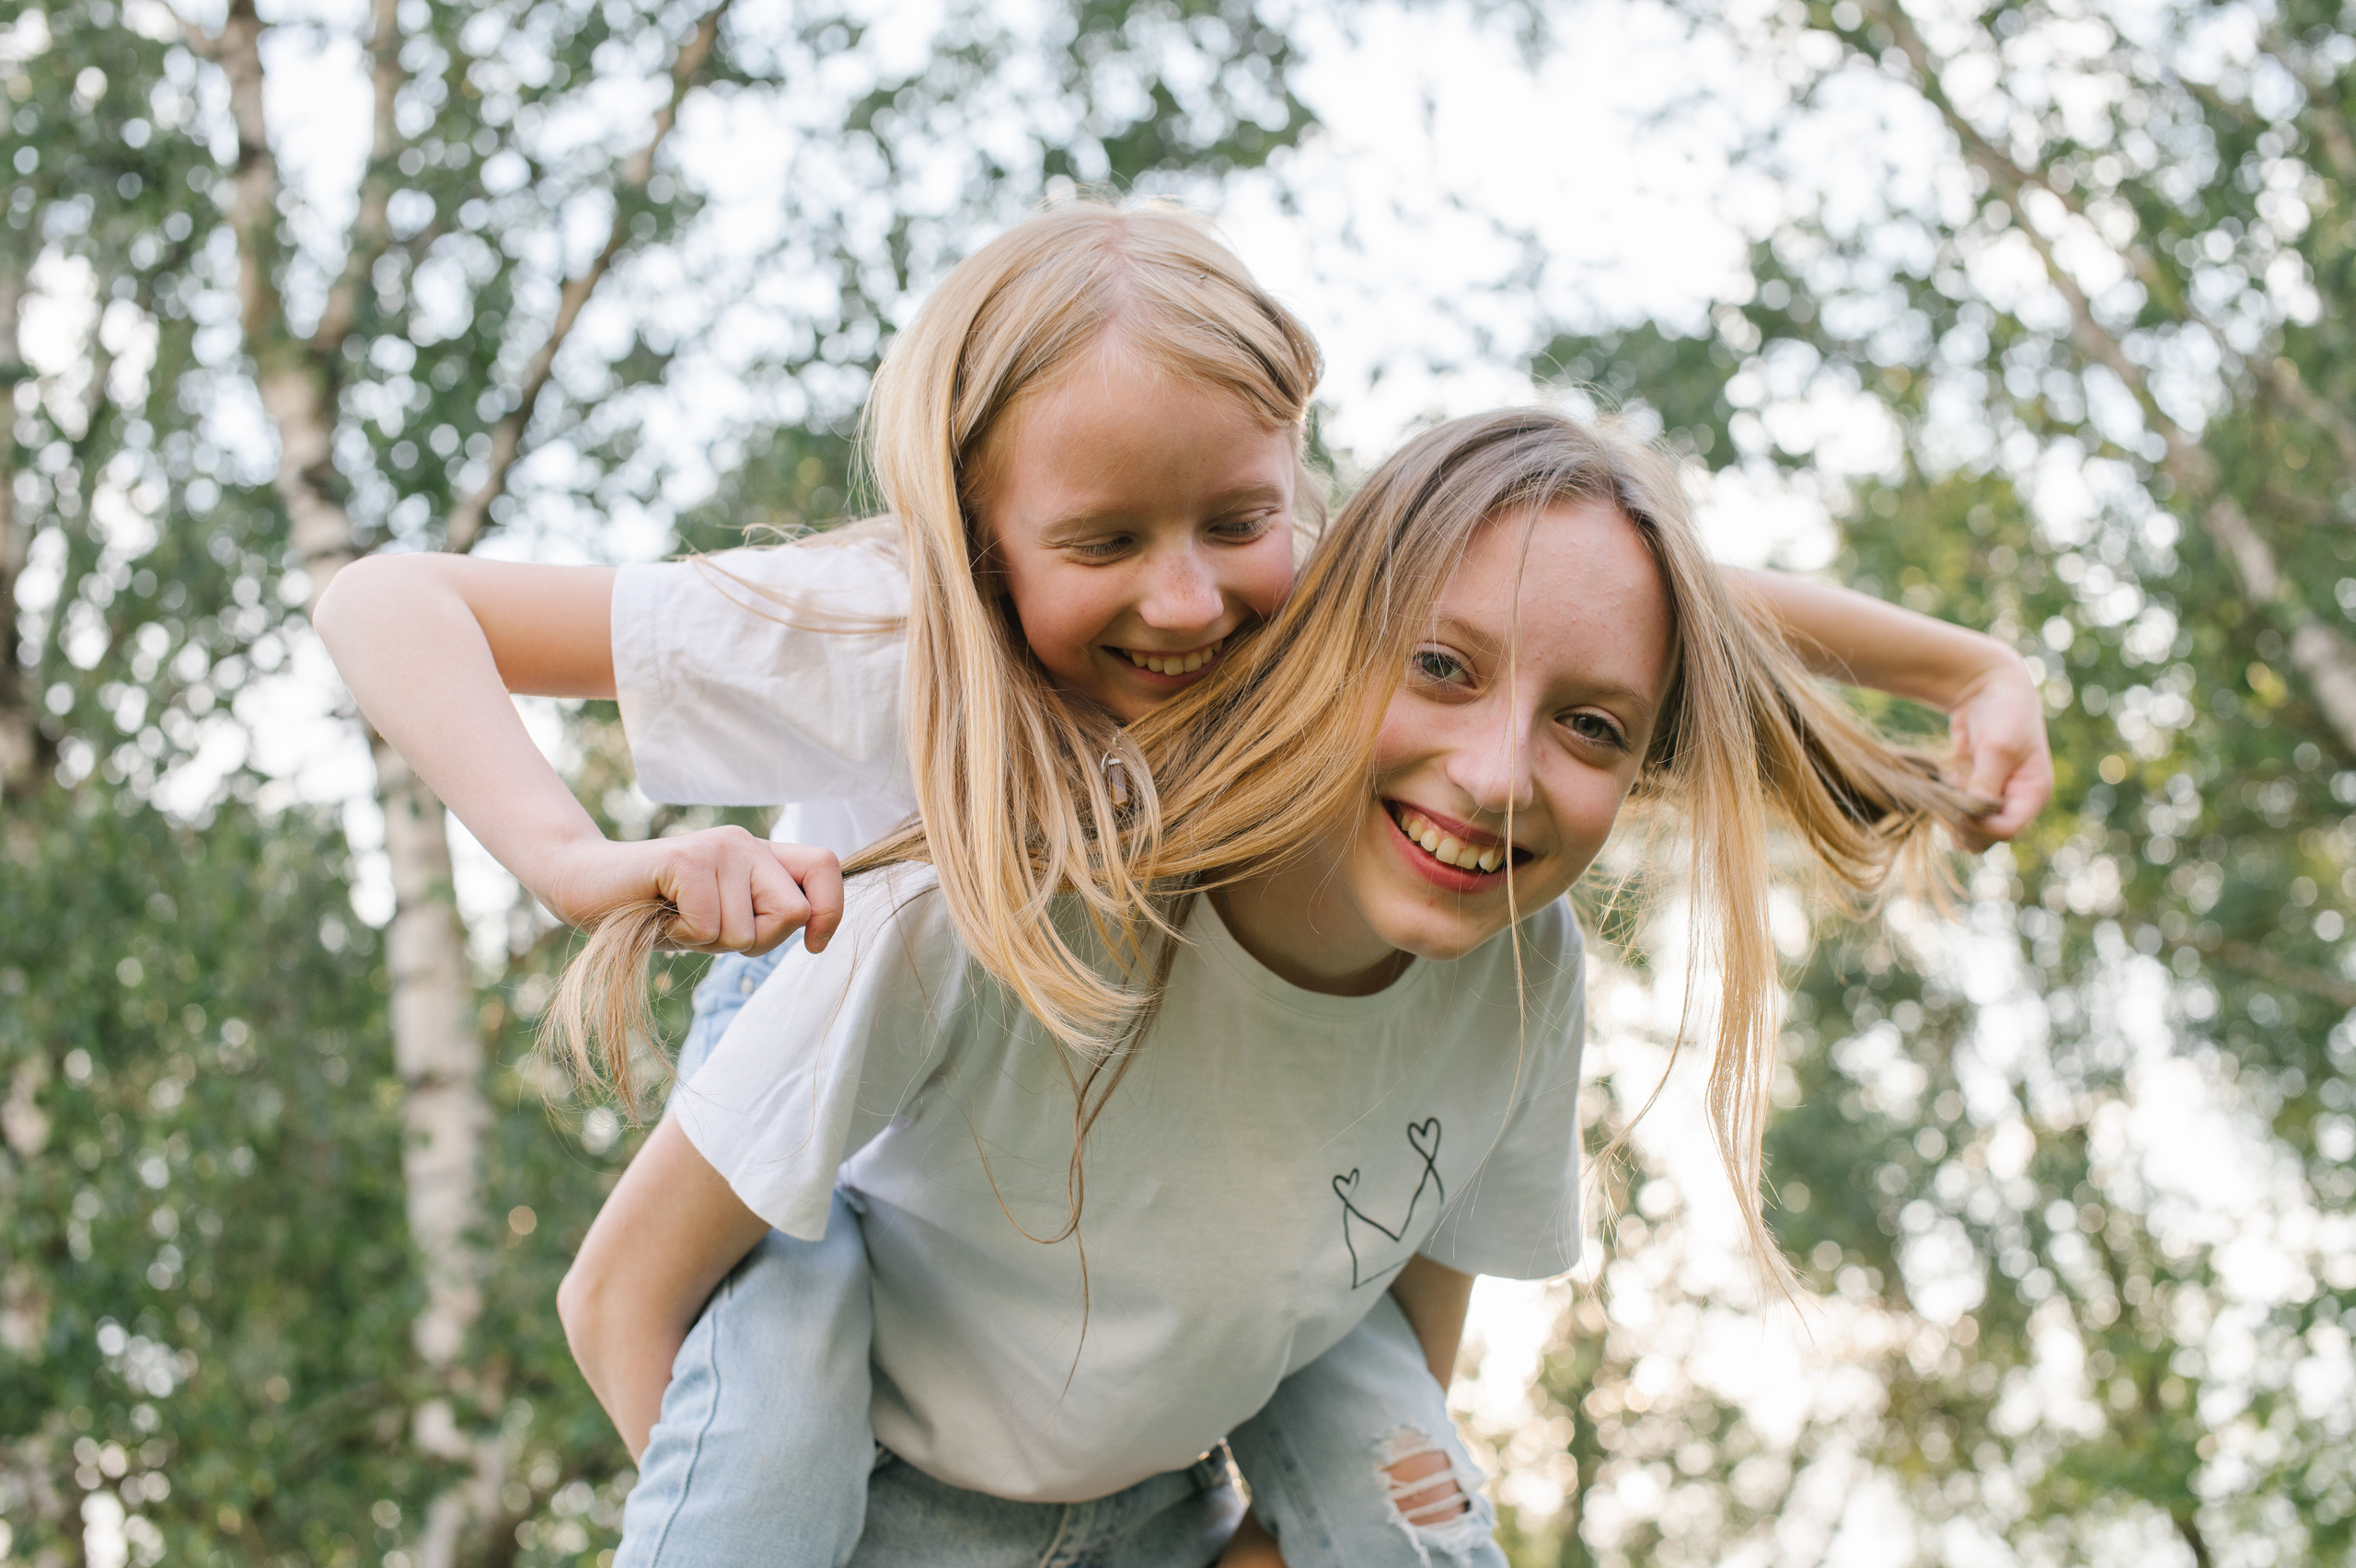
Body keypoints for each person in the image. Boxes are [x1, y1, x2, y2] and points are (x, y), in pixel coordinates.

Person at [315, 203, 2052, 1564]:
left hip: (1132, 1091)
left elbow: (1632, 574)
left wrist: (1964, 667)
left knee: (1383, 1414)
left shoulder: (1314, 608)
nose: (1184, 604)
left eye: (1237, 521)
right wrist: (576, 858)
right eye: (1101, 547)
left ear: (1296, 478)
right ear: (979, 536)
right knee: (793, 1276)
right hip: (838, 943)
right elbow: (391, 605)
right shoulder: (889, 624)